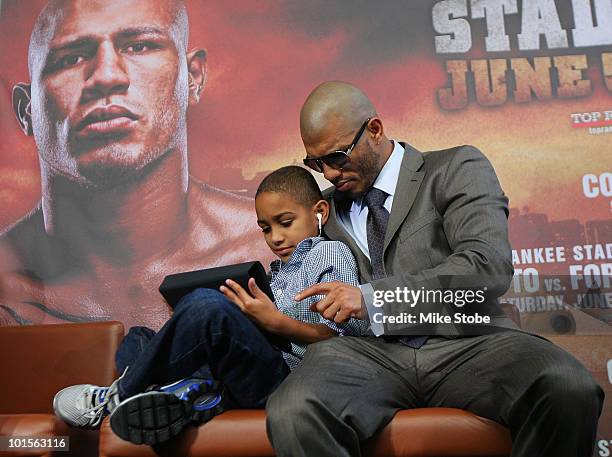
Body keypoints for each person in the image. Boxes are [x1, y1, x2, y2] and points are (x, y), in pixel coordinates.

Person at [265, 81, 604, 457]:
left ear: (374, 130)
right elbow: (288, 279)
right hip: (365, 356)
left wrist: (373, 299)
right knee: (293, 410)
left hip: (467, 345)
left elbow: (486, 266)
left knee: (567, 386)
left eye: (338, 157)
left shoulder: (455, 168)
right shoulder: (318, 210)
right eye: (316, 164)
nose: (328, 174)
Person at [0, 0, 270, 330]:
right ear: (27, 110)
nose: (106, 76)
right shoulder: (6, 288)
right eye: (71, 58)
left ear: (193, 77)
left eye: (139, 46)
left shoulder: (272, 252)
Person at [53, 165, 368, 445]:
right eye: (266, 228)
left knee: (207, 307)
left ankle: (116, 397)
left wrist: (276, 322)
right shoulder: (277, 271)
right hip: (243, 372)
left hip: (288, 379)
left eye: (285, 222)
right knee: (139, 337)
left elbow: (348, 338)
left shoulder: (329, 253)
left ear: (320, 212)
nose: (275, 237)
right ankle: (186, 397)